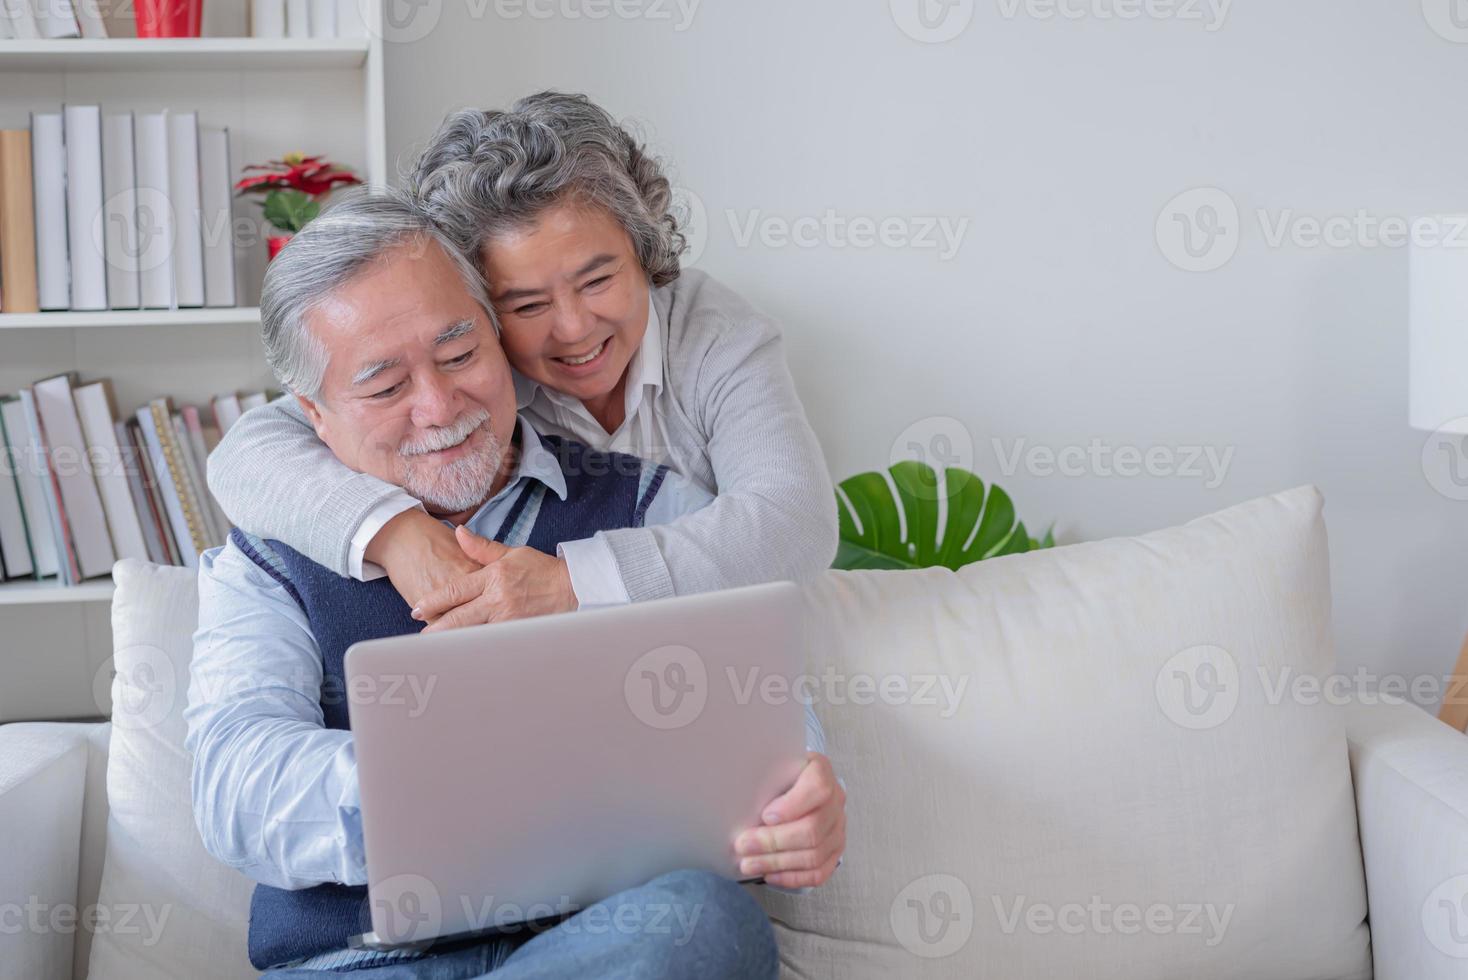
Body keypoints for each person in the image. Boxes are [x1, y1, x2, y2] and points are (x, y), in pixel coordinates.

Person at [184, 194, 847, 978]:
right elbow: (233, 784)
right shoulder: (270, 555)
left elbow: (759, 703)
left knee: (704, 923)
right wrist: (456, 785)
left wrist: (801, 793)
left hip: (604, 946)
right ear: (314, 418)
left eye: (459, 354)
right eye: (385, 386)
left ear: (498, 341)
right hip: (360, 964)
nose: (439, 407)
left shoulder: (648, 502)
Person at [205, 91, 838, 631]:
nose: (574, 329)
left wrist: (570, 584)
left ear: (643, 248)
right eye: (526, 303)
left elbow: (795, 524)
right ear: (475, 306)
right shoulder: (464, 367)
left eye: (597, 281)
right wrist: (395, 533)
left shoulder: (714, 334)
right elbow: (247, 454)